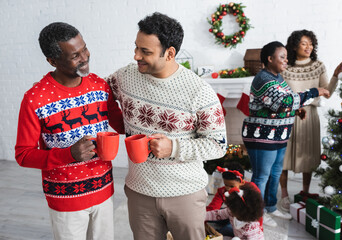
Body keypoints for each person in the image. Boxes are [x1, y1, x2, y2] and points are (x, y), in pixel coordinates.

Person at [106, 12, 227, 240]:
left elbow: (218, 145)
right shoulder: (125, 76)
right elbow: (96, 92)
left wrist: (173, 148)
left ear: (170, 53)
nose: (136, 56)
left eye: (145, 51)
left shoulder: (198, 91)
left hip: (186, 194)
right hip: (139, 191)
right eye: (136, 47)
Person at [15, 22, 124, 240]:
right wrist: (69, 154)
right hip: (66, 200)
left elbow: (122, 125)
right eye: (75, 55)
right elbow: (23, 155)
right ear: (53, 61)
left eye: (84, 48)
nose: (85, 57)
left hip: (104, 190)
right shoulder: (35, 99)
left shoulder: (100, 86)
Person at [241, 41, 330, 227]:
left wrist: (296, 110)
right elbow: (283, 101)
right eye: (282, 57)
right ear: (270, 58)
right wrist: (315, 91)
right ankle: (256, 214)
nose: (286, 61)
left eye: (286, 57)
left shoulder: (278, 78)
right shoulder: (263, 78)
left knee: (275, 173)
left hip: (279, 135)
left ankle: (271, 207)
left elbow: (287, 103)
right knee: (262, 175)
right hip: (262, 136)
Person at [279, 30, 342, 212]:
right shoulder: (285, 67)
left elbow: (327, 91)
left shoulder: (318, 66)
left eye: (311, 43)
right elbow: (281, 93)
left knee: (308, 156)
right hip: (288, 115)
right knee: (282, 157)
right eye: (304, 43)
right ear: (294, 46)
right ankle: (284, 195)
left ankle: (305, 193)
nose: (309, 47)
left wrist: (335, 76)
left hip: (310, 117)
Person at [206, 165, 245, 237]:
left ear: (242, 183)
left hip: (242, 221)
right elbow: (213, 208)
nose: (228, 188)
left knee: (226, 230)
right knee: (206, 213)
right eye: (226, 184)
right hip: (229, 214)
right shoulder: (222, 191)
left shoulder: (250, 192)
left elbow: (257, 212)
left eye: (232, 186)